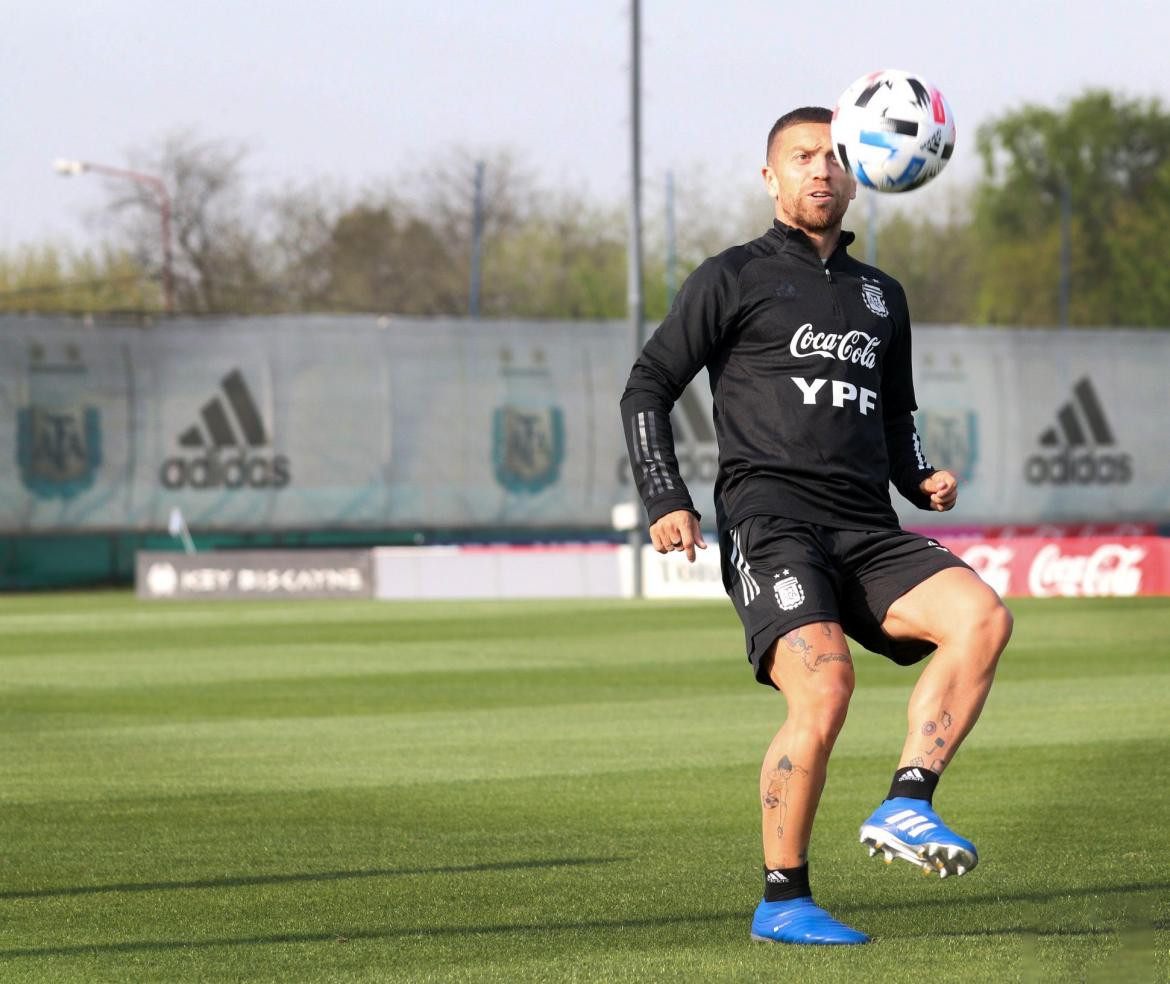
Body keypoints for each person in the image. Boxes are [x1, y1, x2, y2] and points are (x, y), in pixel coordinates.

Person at [619, 107, 1013, 946]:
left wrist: (918, 475)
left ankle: (909, 803)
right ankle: (783, 899)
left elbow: (894, 410)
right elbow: (648, 385)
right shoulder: (730, 276)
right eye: (802, 157)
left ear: (860, 168)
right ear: (771, 177)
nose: (820, 170)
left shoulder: (882, 295)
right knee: (827, 688)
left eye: (834, 156)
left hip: (867, 526)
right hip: (772, 523)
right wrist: (666, 498)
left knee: (982, 618)